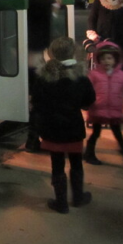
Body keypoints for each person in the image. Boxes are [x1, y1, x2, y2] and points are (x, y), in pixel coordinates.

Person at [31, 37, 97, 213]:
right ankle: (78, 197)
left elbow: (36, 101)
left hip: (51, 127)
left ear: (52, 54)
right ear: (73, 52)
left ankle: (61, 202)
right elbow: (89, 100)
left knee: (57, 164)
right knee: (76, 163)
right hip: (73, 127)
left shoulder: (44, 77)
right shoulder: (80, 76)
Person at [84, 41, 123, 170]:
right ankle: (89, 154)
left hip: (114, 112)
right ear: (98, 59)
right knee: (96, 133)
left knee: (118, 134)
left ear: (115, 59)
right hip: (98, 110)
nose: (106, 61)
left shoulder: (121, 76)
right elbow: (87, 89)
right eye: (103, 58)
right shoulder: (94, 75)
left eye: (109, 58)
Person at [25, 0, 57, 152]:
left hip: (29, 52)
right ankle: (33, 138)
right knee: (40, 98)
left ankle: (35, 137)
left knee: (35, 96)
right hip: (37, 53)